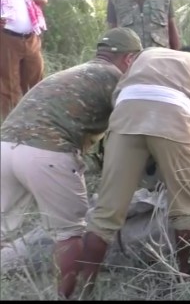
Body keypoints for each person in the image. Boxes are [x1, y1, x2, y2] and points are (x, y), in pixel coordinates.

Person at [0, 27, 143, 299]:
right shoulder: (116, 80)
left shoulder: (75, 72)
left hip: (5, 146)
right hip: (47, 153)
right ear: (129, 59)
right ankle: (68, 296)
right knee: (69, 234)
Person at [78, 47, 190, 296]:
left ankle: (84, 290)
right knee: (184, 210)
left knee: (105, 215)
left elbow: (119, 97)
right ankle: (187, 283)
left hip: (125, 115)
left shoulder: (148, 54)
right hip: (174, 115)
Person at [0, 0, 48, 120]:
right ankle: (12, 123)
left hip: (31, 38)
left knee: (36, 81)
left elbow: (43, 1)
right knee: (10, 84)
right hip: (7, 39)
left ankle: (37, 118)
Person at [107, 0, 181, 50]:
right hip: (131, 66)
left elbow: (172, 31)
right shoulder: (116, 0)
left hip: (161, 64)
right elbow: (113, 36)